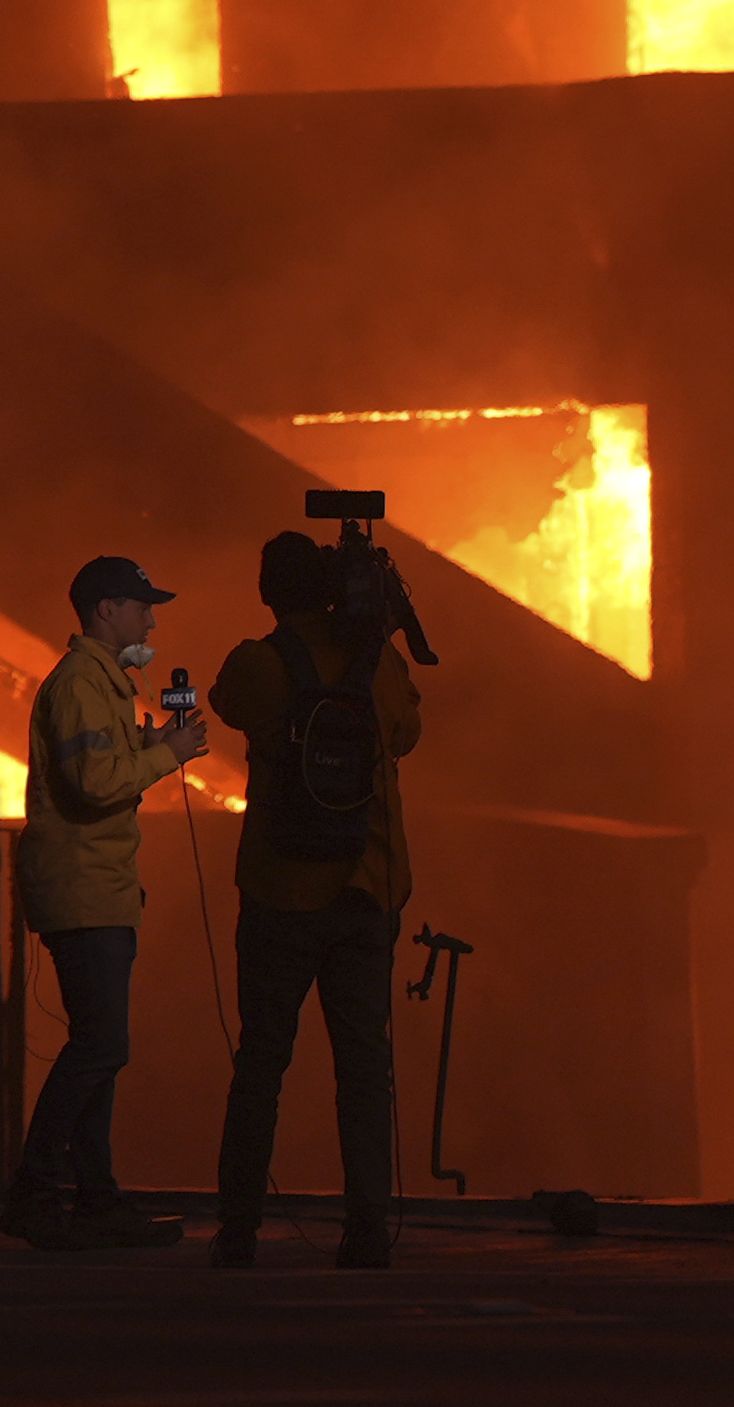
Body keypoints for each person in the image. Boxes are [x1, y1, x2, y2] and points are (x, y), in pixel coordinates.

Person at [205, 529, 424, 1269]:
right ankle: (366, 1231)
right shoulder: (377, 663)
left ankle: (238, 1230)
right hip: (366, 888)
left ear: (267, 591)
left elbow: (222, 703)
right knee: (364, 1066)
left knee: (262, 1059)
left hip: (278, 890)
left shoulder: (258, 663)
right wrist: (377, 631)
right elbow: (409, 732)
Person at [0, 553, 209, 1251]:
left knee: (101, 1048)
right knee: (100, 1044)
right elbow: (94, 783)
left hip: (99, 888)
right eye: (141, 604)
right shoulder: (83, 686)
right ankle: (35, 1190)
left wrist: (146, 745)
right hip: (85, 888)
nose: (151, 617)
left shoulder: (102, 685)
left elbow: (100, 773)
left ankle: (96, 1200)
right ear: (105, 610)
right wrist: (167, 753)